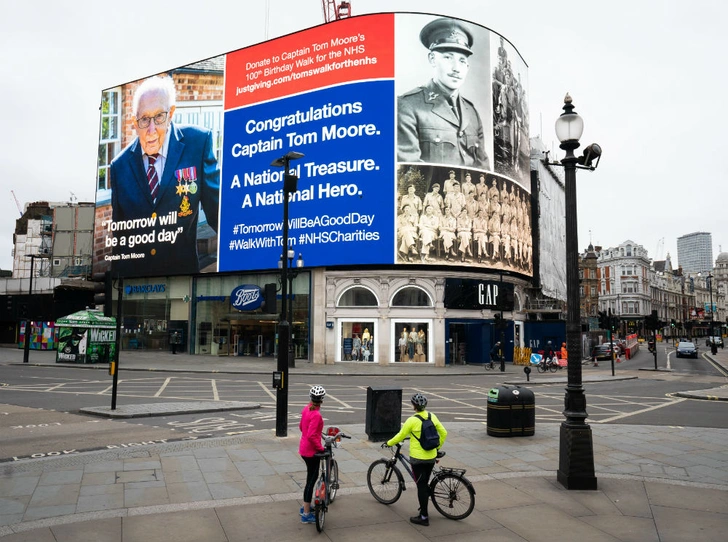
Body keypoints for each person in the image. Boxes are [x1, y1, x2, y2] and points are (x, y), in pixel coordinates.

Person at [110, 75, 220, 277]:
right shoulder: (119, 166)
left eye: (159, 117)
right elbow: (120, 242)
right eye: (144, 120)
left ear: (171, 113)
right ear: (134, 121)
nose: (151, 130)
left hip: (182, 281)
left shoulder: (198, 143)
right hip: (137, 285)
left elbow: (218, 214)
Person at [397, 18, 490, 168]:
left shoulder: (472, 113)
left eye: (461, 61)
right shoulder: (407, 106)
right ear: (432, 59)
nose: (456, 68)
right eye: (448, 57)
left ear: (467, 67)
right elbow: (410, 172)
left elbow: (484, 170)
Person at [385, 393, 447, 527]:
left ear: (414, 406)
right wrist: (437, 448)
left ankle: (424, 517)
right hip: (431, 457)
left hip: (418, 460)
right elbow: (444, 433)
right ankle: (424, 502)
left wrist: (389, 443)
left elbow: (400, 436)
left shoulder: (412, 420)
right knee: (424, 483)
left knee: (421, 487)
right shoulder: (432, 416)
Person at [299, 385, 326, 524]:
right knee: (311, 481)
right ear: (322, 399)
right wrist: (321, 448)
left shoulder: (306, 409)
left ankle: (305, 506)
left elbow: (301, 427)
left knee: (309, 478)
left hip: (303, 449)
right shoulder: (316, 414)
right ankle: (306, 514)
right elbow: (311, 435)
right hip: (311, 452)